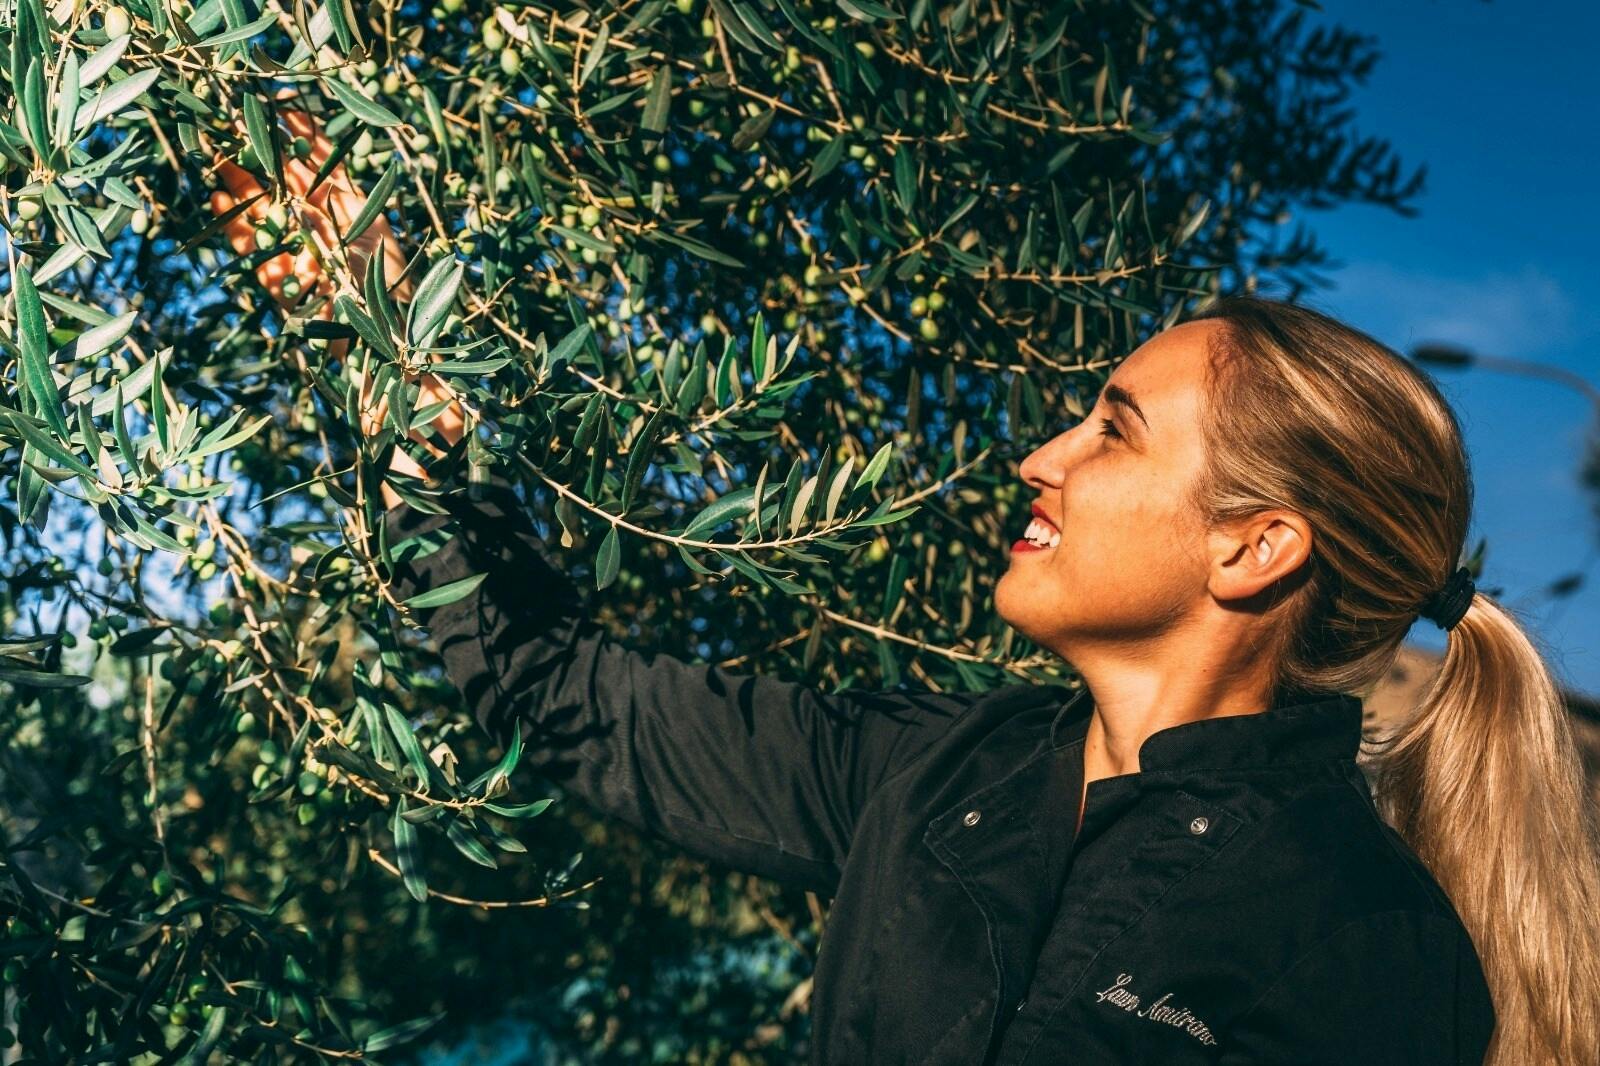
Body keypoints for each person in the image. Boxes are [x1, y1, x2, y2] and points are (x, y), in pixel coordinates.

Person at [209, 111, 1600, 1065]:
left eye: (1112, 428)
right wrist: (391, 363)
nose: (1039, 457)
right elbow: (563, 697)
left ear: (1255, 546)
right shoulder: (931, 771)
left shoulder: (1366, 945)